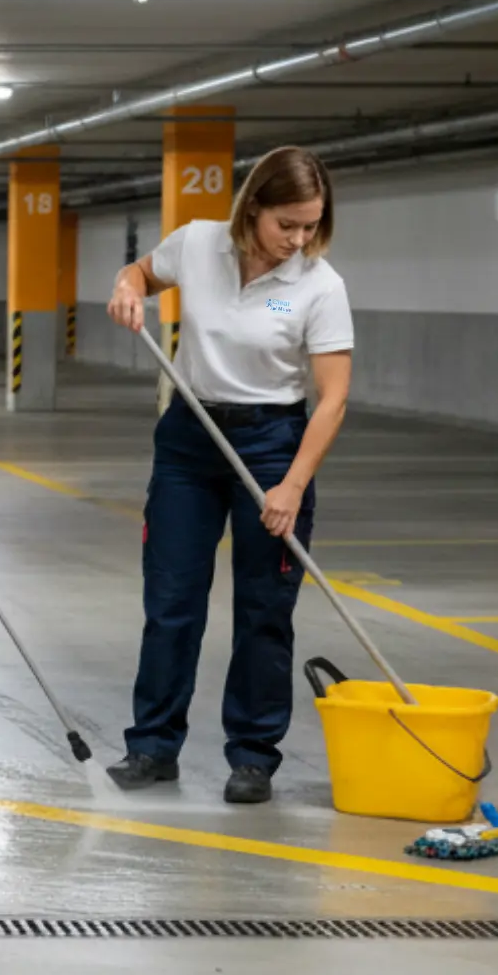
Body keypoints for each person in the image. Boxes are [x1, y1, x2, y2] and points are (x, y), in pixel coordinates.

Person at [103, 146, 353, 805]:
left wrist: (292, 485)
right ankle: (152, 745)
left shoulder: (320, 285)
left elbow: (332, 399)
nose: (297, 240)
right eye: (286, 224)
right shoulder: (197, 243)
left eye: (310, 226)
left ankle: (253, 756)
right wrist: (127, 287)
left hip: (273, 444)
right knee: (171, 601)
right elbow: (141, 272)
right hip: (189, 439)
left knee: (264, 608)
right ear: (252, 209)